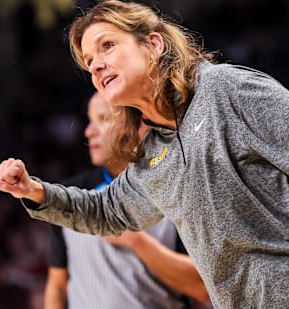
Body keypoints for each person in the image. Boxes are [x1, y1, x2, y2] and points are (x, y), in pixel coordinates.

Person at [0, 0, 289, 308]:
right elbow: (107, 211)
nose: (95, 65)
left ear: (153, 44)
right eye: (88, 62)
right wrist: (35, 192)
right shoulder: (152, 154)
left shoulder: (228, 90)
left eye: (107, 46)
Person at [44, 92, 209, 309]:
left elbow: (201, 288)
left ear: (139, 124)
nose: (89, 132)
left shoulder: (178, 191)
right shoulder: (66, 195)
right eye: (90, 121)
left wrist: (136, 241)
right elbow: (57, 285)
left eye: (102, 119)